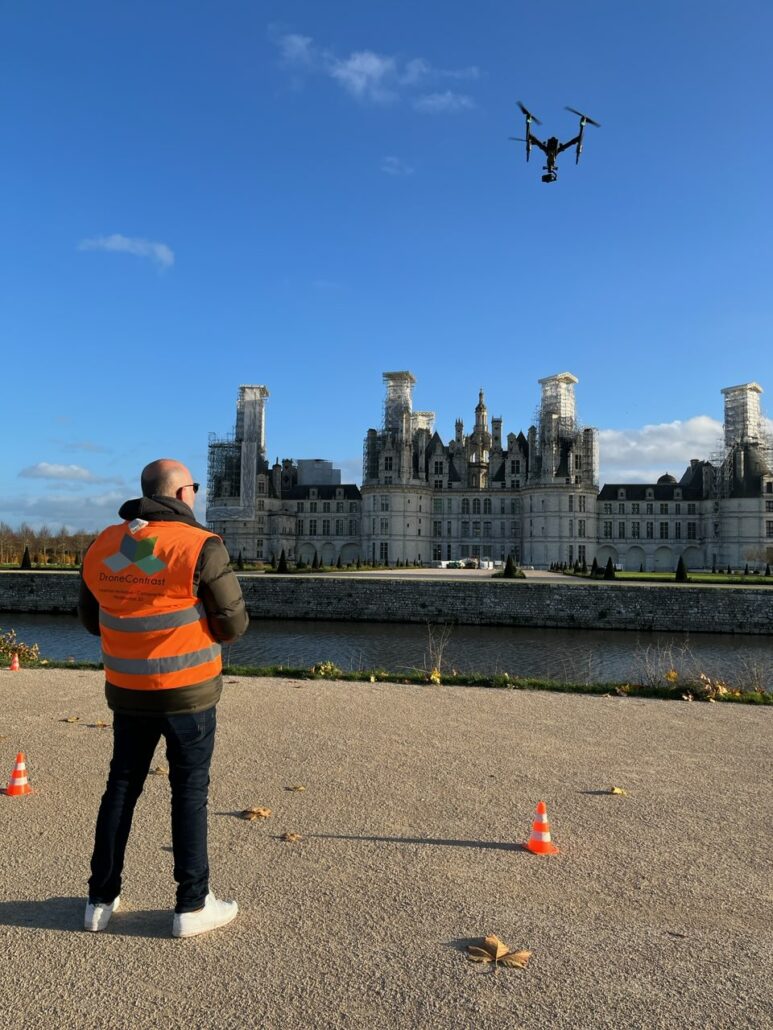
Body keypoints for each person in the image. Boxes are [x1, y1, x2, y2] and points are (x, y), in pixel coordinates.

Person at [78, 458, 248, 938]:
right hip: (187, 693)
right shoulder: (200, 546)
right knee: (189, 793)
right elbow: (233, 625)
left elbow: (93, 620)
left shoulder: (106, 544)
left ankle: (99, 900)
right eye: (193, 487)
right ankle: (191, 904)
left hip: (127, 691)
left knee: (121, 788)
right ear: (181, 494)